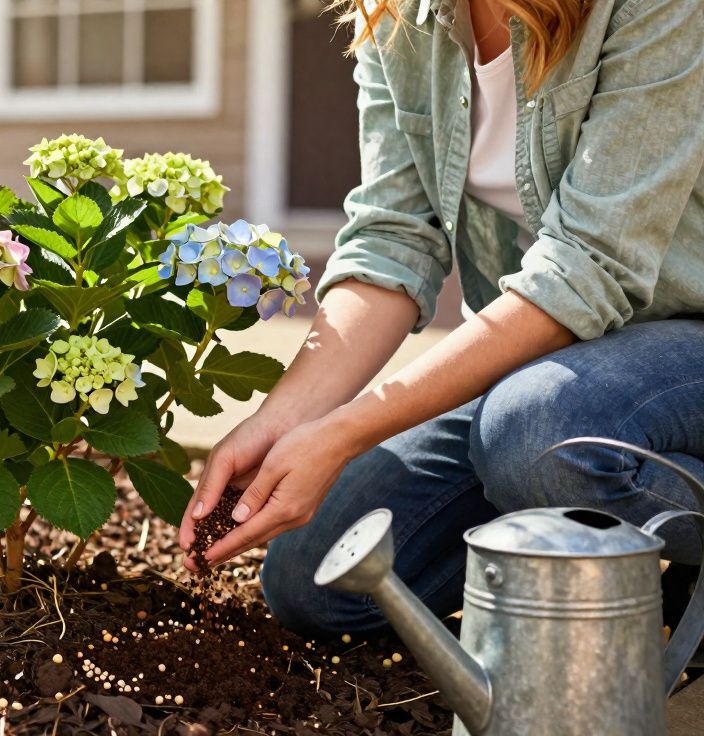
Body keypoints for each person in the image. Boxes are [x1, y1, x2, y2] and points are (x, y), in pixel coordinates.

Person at [179, 0, 704, 636]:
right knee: (319, 579)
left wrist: (346, 431)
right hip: (547, 363)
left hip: (683, 339)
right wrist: (283, 421)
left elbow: (588, 265)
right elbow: (393, 238)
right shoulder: (401, 17)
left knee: (539, 435)